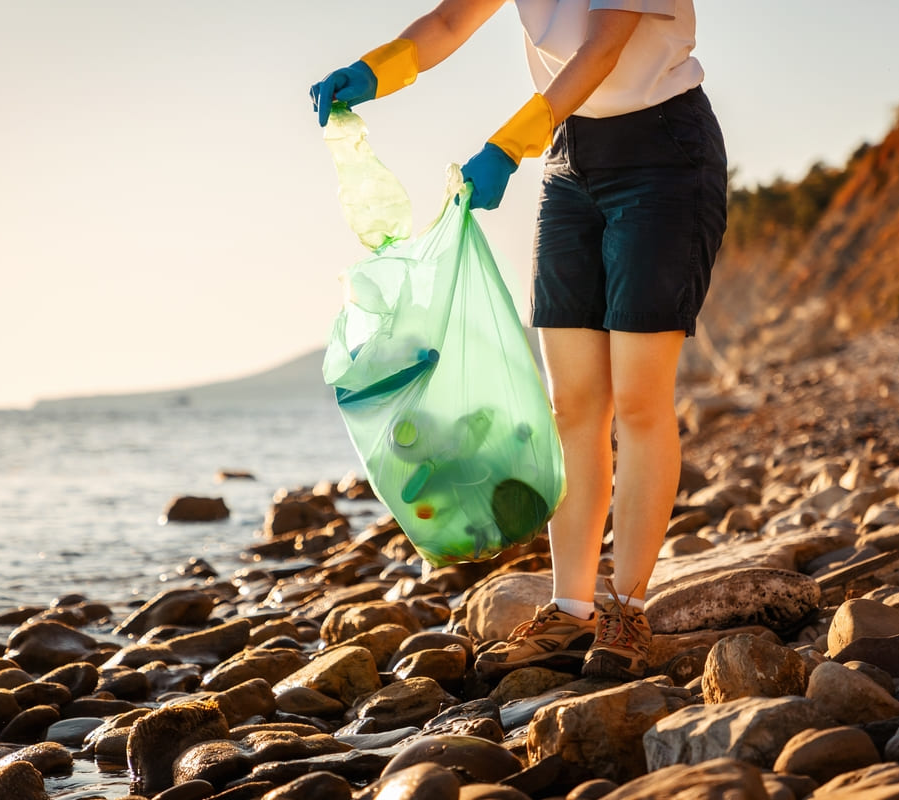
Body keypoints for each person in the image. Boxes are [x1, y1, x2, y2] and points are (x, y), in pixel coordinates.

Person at [311, 0, 726, 681]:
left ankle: (626, 610)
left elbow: (602, 50)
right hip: (569, 163)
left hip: (665, 159)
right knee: (572, 406)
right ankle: (571, 607)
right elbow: (448, 23)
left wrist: (507, 145)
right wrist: (373, 71)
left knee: (641, 402)